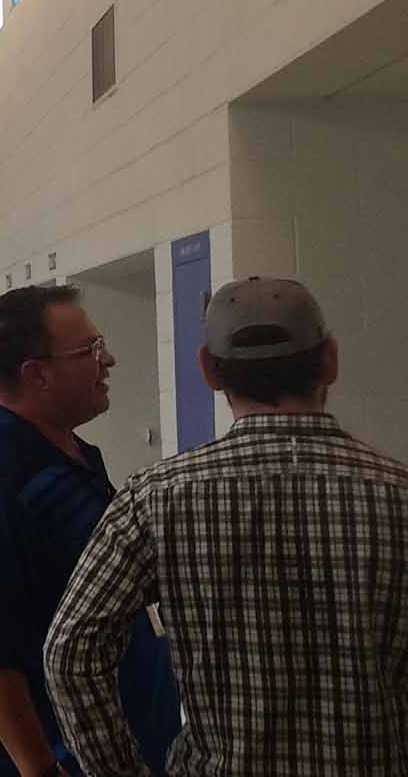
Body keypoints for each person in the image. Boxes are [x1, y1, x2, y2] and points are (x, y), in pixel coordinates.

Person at [47, 276, 408, 775]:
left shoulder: (154, 499)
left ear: (208, 371)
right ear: (330, 360)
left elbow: (69, 652)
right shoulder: (398, 496)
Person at [0, 286, 180, 777]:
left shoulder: (72, 454)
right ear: (37, 373)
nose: (108, 359)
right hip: (23, 753)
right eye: (89, 350)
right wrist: (38, 766)